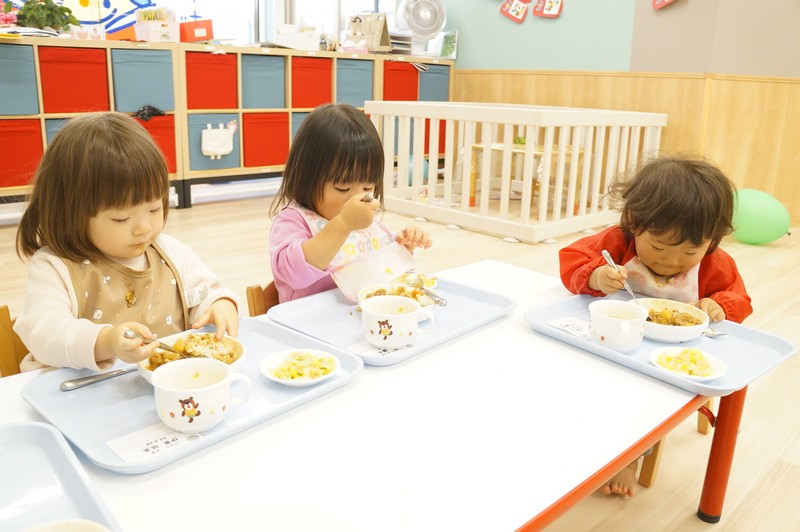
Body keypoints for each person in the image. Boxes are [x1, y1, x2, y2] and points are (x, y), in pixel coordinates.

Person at [559, 155, 752, 497]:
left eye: (690, 252)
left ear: (713, 241)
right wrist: (596, 276)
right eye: (659, 246)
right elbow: (572, 260)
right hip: (614, 340)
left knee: (646, 402)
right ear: (635, 223)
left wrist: (719, 305)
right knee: (579, 376)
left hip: (672, 357)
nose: (671, 260)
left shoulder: (716, 264)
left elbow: (740, 299)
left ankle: (628, 459)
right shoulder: (616, 243)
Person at [14, 112, 240, 372]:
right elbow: (44, 333)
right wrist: (106, 341)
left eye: (154, 208)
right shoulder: (55, 267)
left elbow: (206, 293)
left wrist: (219, 304)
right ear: (70, 213)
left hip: (165, 386)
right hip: (85, 388)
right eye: (121, 218)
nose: (144, 228)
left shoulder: (171, 253)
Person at [268, 103, 432, 303]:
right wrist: (344, 223)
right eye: (343, 188)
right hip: (309, 317)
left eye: (368, 187)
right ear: (306, 177)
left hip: (361, 313)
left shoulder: (363, 219)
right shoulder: (292, 221)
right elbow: (295, 275)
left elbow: (379, 258)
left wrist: (404, 244)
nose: (357, 198)